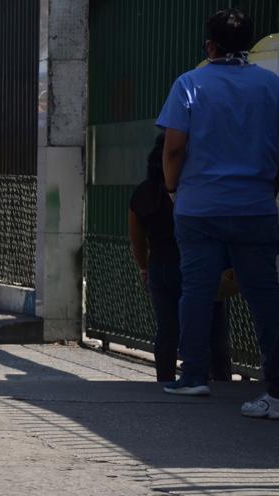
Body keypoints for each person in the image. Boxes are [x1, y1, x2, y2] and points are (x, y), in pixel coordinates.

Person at [157, 9, 279, 411]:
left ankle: (193, 375)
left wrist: (173, 188)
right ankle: (276, 386)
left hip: (199, 207)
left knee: (196, 291)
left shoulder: (189, 84)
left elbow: (173, 147)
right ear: (248, 44)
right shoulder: (270, 85)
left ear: (209, 45)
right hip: (256, 206)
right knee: (264, 296)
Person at [128, 133, 231, 382]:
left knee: (166, 329)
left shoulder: (143, 193)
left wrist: (144, 268)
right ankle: (218, 378)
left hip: (161, 267)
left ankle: (165, 379)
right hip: (198, 265)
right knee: (211, 325)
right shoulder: (196, 190)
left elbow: (136, 238)